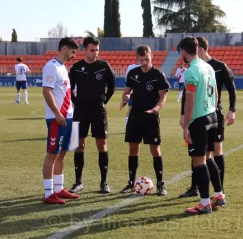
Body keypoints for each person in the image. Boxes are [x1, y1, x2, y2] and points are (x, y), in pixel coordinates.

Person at [179, 37, 236, 198]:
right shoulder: (208, 67)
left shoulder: (191, 71)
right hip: (213, 116)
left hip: (199, 120)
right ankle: (219, 195)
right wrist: (211, 110)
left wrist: (186, 126)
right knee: (209, 157)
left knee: (199, 161)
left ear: (184, 51)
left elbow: (189, 102)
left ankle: (204, 203)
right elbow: (216, 94)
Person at [119, 45, 170, 196]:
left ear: (151, 56)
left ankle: (160, 184)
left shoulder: (158, 75)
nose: (144, 63)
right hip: (135, 114)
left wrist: (156, 108)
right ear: (137, 59)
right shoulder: (133, 73)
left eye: (146, 59)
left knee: (155, 149)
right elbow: (127, 92)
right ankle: (130, 182)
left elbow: (163, 98)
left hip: (151, 116)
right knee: (133, 148)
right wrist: (125, 99)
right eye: (141, 60)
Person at [68, 37, 116, 194]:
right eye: (92, 50)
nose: (95, 53)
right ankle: (78, 182)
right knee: (78, 146)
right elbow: (69, 88)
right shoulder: (76, 68)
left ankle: (103, 183)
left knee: (102, 145)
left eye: (97, 50)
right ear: (85, 50)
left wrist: (104, 102)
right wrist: (75, 102)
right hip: (80, 111)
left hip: (98, 110)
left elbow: (112, 87)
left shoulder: (104, 66)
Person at [41, 37, 80, 204]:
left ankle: (59, 188)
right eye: (72, 52)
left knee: (62, 153)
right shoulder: (51, 67)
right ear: (65, 49)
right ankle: (48, 192)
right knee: (52, 154)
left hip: (68, 117)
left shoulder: (63, 68)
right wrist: (57, 114)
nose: (73, 56)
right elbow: (46, 91)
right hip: (58, 118)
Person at [124, 59, 141, 124]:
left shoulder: (145, 67)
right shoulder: (130, 67)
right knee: (131, 109)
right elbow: (127, 79)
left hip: (142, 93)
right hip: (133, 92)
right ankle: (127, 123)